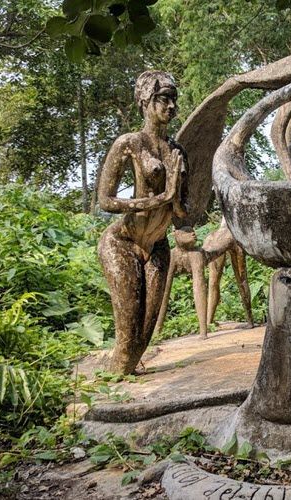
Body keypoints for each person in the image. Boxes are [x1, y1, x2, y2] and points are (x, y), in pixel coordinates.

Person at [97, 70, 187, 375]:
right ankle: (110, 385)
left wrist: (175, 197)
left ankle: (124, 375)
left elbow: (182, 211)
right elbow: (106, 200)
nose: (172, 106)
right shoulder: (130, 143)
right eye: (165, 98)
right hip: (122, 243)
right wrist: (160, 199)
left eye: (174, 98)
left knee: (144, 334)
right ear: (145, 101)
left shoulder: (177, 151)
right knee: (128, 333)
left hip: (158, 246)